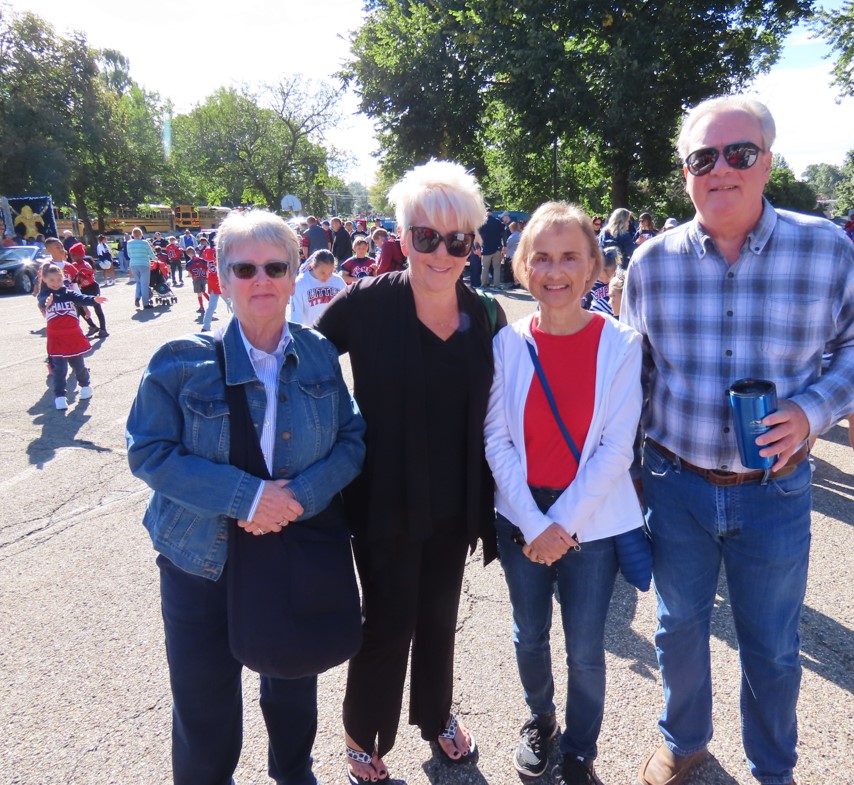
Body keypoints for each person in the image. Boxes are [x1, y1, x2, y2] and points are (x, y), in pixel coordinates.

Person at [621, 95, 854, 785]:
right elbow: (634, 377)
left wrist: (811, 410)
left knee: (771, 644)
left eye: (739, 153)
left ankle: (773, 768)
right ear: (685, 174)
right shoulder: (650, 264)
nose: (722, 169)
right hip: (675, 484)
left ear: (767, 162)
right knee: (677, 628)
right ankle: (684, 740)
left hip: (775, 490)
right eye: (703, 157)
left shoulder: (824, 247)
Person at [125, 209, 366, 785]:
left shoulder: (318, 353)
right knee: (204, 702)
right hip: (199, 559)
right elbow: (149, 451)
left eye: (275, 267)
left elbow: (352, 440)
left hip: (290, 549)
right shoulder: (179, 361)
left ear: (292, 276)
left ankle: (294, 774)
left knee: (291, 683)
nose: (261, 279)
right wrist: (247, 497)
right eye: (245, 268)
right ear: (222, 276)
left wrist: (297, 497)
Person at [314, 160, 505, 785]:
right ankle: (359, 735)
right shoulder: (366, 303)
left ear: (472, 244)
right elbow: (303, 368)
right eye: (426, 237)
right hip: (384, 498)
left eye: (458, 241)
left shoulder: (483, 313)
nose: (441, 253)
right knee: (388, 623)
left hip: (457, 498)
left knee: (439, 617)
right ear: (402, 236)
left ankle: (436, 715)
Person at [484, 202, 644, 785]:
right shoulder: (507, 343)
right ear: (523, 266)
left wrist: (563, 525)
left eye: (570, 257)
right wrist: (534, 524)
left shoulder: (621, 344)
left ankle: (580, 747)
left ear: (594, 266)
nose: (555, 271)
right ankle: (541, 719)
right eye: (542, 258)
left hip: (592, 522)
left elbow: (617, 449)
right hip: (520, 514)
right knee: (529, 634)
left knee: (584, 647)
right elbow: (496, 438)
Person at [39, 262, 108, 410]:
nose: (56, 283)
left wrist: (93, 300)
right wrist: (47, 302)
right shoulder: (44, 295)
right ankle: (60, 396)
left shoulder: (68, 293)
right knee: (59, 370)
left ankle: (86, 386)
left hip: (73, 336)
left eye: (59, 279)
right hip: (56, 338)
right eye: (52, 280)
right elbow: (42, 301)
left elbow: (80, 297)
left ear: (63, 278)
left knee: (78, 365)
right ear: (44, 279)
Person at [290, 249, 345, 327]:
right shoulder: (301, 283)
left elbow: (348, 307)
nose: (326, 277)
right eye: (323, 272)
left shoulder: (338, 281)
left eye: (330, 272)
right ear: (313, 266)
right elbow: (296, 317)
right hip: (310, 332)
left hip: (334, 331)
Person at [66, 243, 108, 338]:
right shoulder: (74, 265)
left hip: (92, 287)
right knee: (80, 307)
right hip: (82, 289)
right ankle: (93, 326)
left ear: (80, 255)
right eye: (71, 255)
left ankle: (103, 329)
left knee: (97, 308)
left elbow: (87, 275)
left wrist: (78, 274)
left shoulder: (85, 265)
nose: (72, 257)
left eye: (74, 255)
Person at [126, 228, 156, 309]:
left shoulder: (129, 243)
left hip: (133, 264)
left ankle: (137, 297)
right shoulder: (144, 243)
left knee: (138, 282)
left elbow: (129, 254)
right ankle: (145, 303)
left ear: (132, 235)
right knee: (144, 284)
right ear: (141, 234)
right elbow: (150, 253)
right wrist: (155, 259)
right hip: (144, 264)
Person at [478, 208, 507, 288]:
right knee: (497, 268)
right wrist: (504, 245)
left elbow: (479, 235)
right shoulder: (498, 222)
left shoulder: (482, 222)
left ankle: (483, 285)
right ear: (492, 213)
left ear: (485, 213)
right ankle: (496, 285)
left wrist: (478, 247)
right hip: (497, 248)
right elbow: (503, 234)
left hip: (486, 248)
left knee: (485, 267)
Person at [184, 246, 209, 319]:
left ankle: (201, 307)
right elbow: (207, 266)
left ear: (188, 254)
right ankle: (211, 302)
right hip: (203, 277)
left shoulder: (190, 262)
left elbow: (189, 271)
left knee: (199, 293)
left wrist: (190, 275)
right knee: (203, 291)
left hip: (196, 278)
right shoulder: (201, 260)